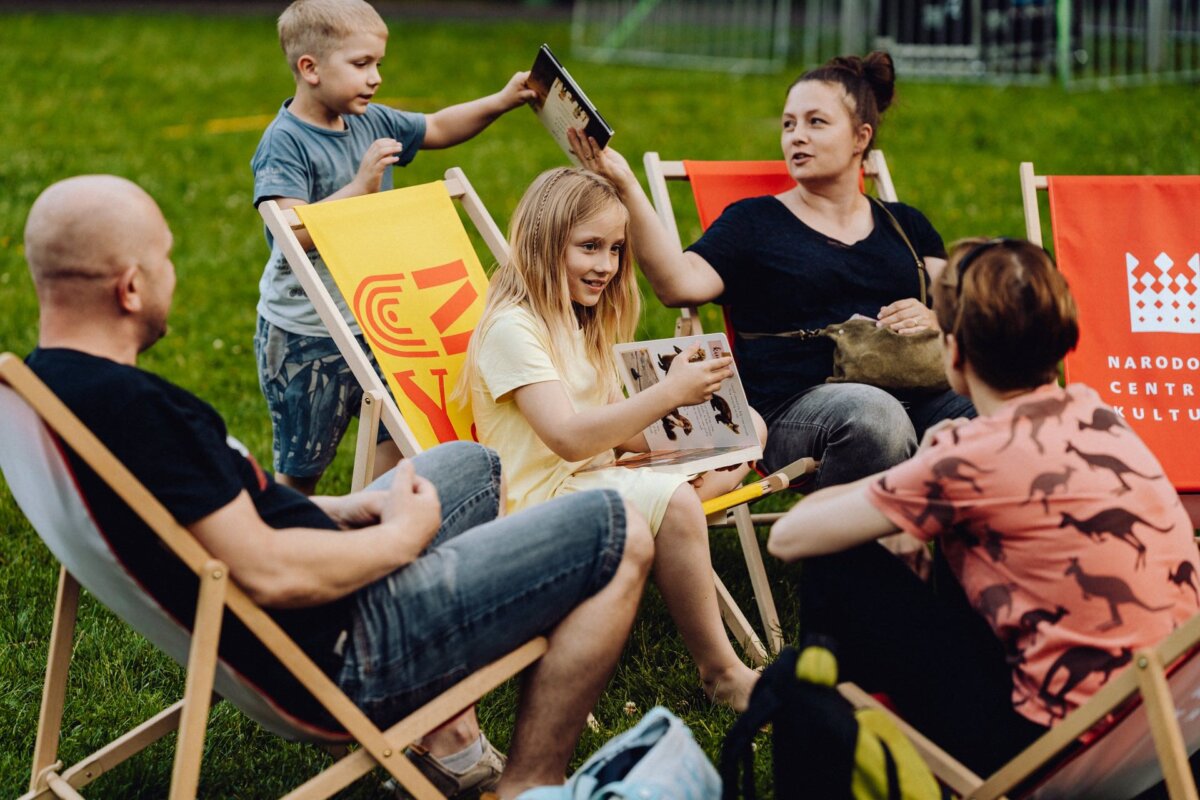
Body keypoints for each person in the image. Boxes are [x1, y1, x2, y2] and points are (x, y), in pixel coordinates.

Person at [22, 174, 654, 800]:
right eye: (164, 258)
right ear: (131, 287)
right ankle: (530, 783)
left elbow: (205, 517)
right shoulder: (140, 413)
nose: (172, 274)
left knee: (471, 465)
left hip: (314, 600)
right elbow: (272, 574)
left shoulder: (46, 392)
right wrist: (400, 538)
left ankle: (447, 740)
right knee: (616, 529)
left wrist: (347, 508)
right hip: (346, 648)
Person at [766, 237, 1200, 775]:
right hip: (1172, 727)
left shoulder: (967, 458)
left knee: (839, 564)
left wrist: (915, 473)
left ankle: (841, 758)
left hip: (1065, 753)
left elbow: (788, 537)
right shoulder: (1102, 417)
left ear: (952, 350)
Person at [569, 51, 975, 490]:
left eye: (816, 122)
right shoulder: (754, 222)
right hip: (795, 411)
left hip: (920, 393)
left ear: (861, 138)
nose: (796, 136)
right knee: (877, 415)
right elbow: (678, 284)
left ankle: (975, 558)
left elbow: (970, 304)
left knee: (996, 412)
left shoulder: (905, 223)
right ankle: (849, 557)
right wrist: (626, 184)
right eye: (788, 124)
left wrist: (938, 318)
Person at [458, 167, 761, 710]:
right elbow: (569, 439)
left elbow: (607, 437)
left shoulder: (576, 320)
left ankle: (670, 529)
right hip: (538, 504)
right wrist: (667, 395)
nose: (605, 265)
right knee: (673, 500)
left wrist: (690, 425)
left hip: (595, 477)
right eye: (589, 247)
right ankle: (722, 672)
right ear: (544, 243)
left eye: (616, 249)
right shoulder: (512, 328)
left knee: (746, 429)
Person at [252, 0, 537, 495]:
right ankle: (286, 537)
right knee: (304, 462)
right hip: (306, 332)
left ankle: (377, 520)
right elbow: (285, 228)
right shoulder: (285, 143)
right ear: (309, 68)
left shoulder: (369, 120)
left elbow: (438, 128)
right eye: (361, 64)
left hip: (374, 315)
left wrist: (501, 100)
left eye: (378, 63)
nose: (376, 77)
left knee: (399, 431)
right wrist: (359, 189)